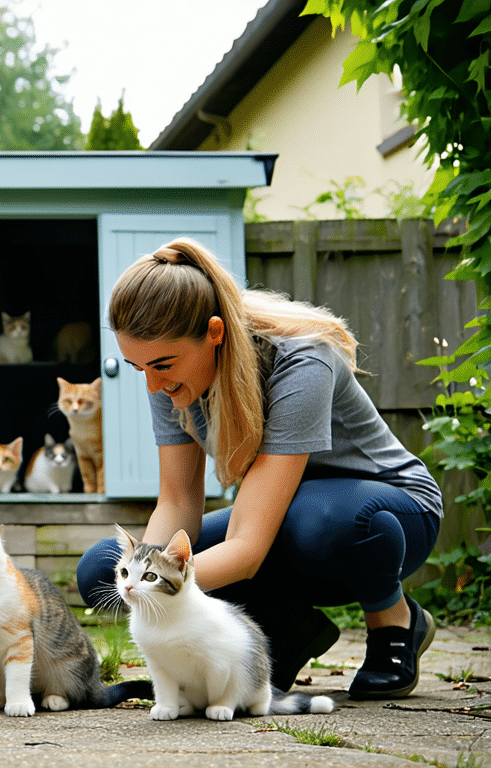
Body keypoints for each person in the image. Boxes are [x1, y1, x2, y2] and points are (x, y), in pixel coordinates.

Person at [76, 237, 442, 699]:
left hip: (387, 513)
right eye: (138, 367)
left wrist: (163, 590)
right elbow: (178, 500)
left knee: (322, 520)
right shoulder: (168, 379)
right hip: (285, 518)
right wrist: (143, 576)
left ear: (214, 332)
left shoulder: (302, 361)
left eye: (162, 365)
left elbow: (247, 548)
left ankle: (394, 621)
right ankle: (288, 630)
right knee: (101, 571)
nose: (152, 383)